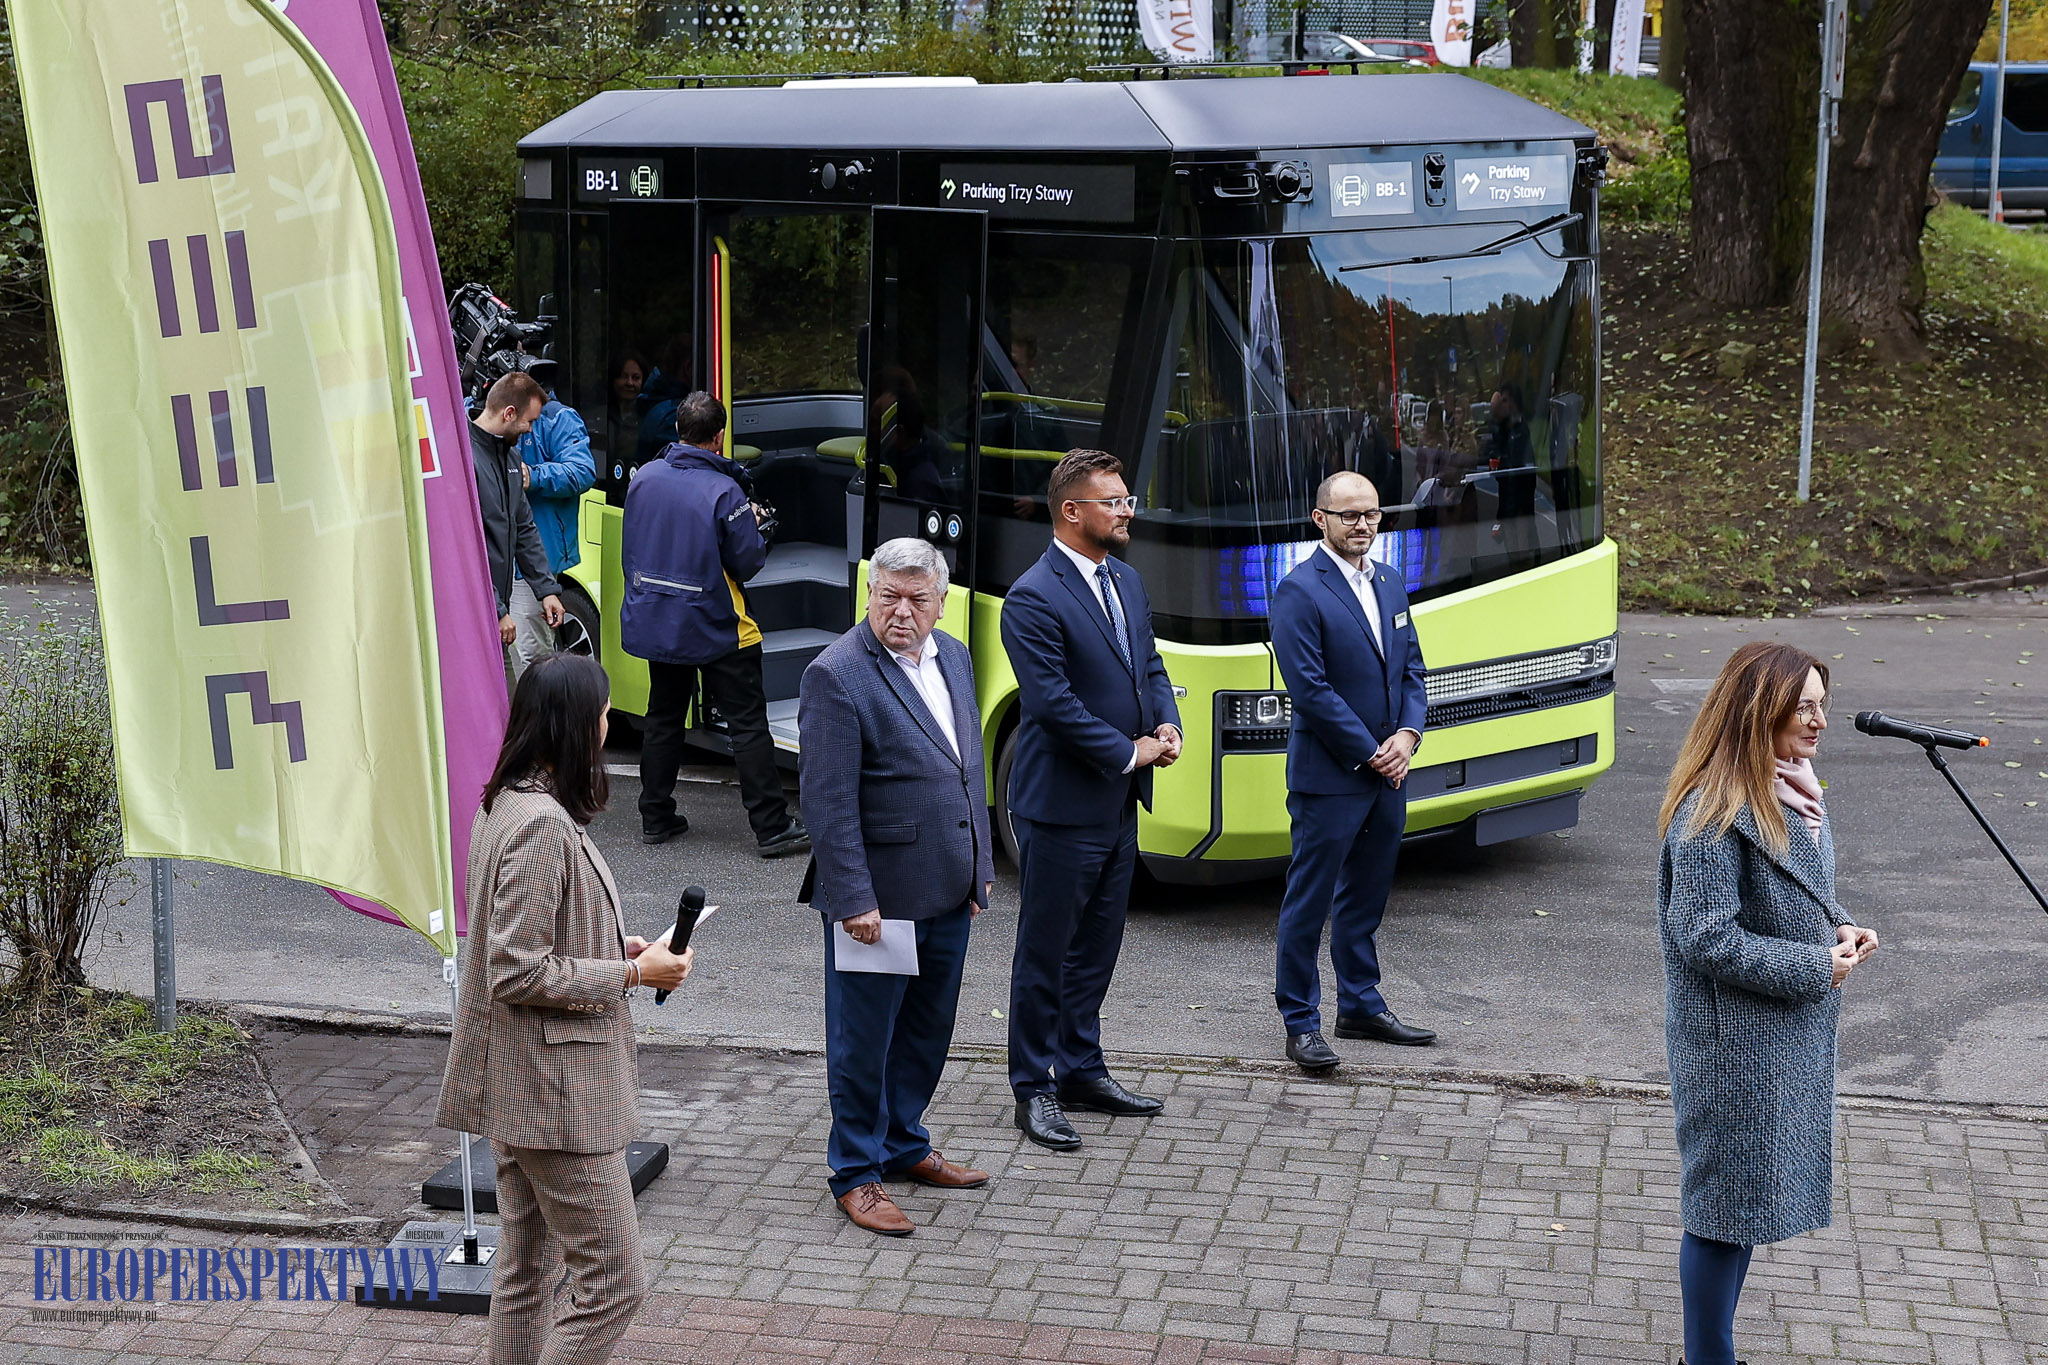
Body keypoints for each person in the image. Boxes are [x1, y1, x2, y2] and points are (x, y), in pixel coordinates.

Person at [436, 652, 695, 1365]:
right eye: (604, 712)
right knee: (613, 1285)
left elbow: (522, 933)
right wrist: (634, 971)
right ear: (574, 726)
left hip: (519, 1087)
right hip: (557, 1100)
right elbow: (516, 967)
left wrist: (616, 944)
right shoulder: (542, 823)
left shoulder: (505, 802)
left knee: (525, 1273)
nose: (610, 723)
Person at [1657, 641, 1879, 1365]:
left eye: (1822, 702)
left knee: (1743, 1206)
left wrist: (1838, 919)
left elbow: (1803, 881)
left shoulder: (1796, 788)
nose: (1819, 719)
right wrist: (1819, 964)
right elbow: (1705, 937)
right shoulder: (1710, 813)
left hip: (1780, 1039)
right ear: (1761, 712)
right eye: (1803, 705)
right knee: (1722, 1211)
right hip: (1735, 1050)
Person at [797, 537, 995, 1236]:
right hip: (877, 903)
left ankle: (904, 1142)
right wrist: (853, 899)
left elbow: (967, 765)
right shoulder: (838, 674)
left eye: (918, 598)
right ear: (869, 595)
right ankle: (856, 1171)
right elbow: (827, 801)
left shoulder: (957, 657)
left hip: (948, 888)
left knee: (925, 1031)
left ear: (942, 602)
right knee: (863, 1040)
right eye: (889, 596)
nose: (902, 611)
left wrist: (980, 867)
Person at [999, 449, 1181, 1151]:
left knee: (1098, 946)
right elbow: (1053, 705)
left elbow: (1150, 663)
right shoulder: (1033, 596)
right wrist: (1127, 750)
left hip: (1118, 803)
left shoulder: (1126, 581)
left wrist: (1164, 721)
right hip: (1061, 806)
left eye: (1126, 499)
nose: (1126, 511)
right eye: (1113, 501)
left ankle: (1080, 1068)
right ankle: (1032, 1088)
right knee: (1046, 953)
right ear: (1071, 511)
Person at [1268, 470, 1433, 1073]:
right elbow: (1309, 691)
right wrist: (1372, 750)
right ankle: (1301, 1022)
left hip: (1389, 770)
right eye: (1348, 515)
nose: (1362, 524)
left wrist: (1408, 736)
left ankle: (1360, 1004)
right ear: (1321, 521)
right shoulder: (1298, 592)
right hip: (1332, 774)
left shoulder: (1389, 583)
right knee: (1309, 900)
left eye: (1370, 514)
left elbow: (1412, 669)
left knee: (1366, 894)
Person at [621, 391, 809, 858]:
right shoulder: (725, 491)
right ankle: (771, 827)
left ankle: (656, 815)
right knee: (747, 724)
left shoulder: (644, 478)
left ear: (678, 430)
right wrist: (759, 528)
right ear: (719, 436)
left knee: (663, 717)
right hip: (717, 623)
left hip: (660, 619)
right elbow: (746, 562)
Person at [470, 371, 565, 680]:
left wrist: (546, 590)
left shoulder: (511, 458)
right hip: (473, 617)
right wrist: (496, 609)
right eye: (529, 421)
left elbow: (524, 528)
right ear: (509, 413)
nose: (530, 429)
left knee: (508, 713)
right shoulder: (464, 459)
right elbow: (466, 548)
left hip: (495, 615)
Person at [509, 381, 596, 677]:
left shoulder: (557, 417)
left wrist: (533, 476)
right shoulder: (477, 410)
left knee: (531, 654)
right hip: (492, 555)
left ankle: (541, 722)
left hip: (533, 557)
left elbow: (583, 471)